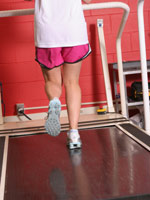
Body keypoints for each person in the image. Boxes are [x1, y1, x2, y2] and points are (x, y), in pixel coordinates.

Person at [25, 0, 92, 149]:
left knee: (53, 81)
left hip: (48, 31)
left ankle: (54, 101)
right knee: (72, 82)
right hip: (73, 30)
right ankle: (74, 134)